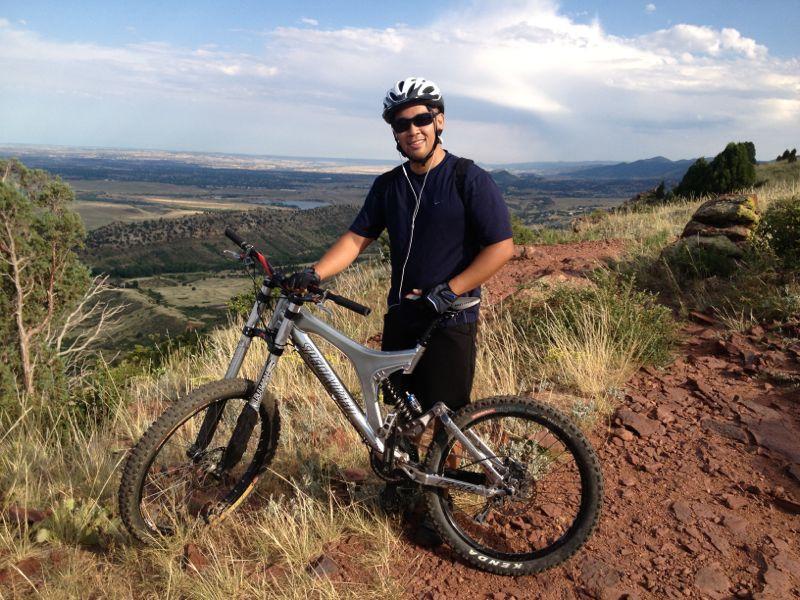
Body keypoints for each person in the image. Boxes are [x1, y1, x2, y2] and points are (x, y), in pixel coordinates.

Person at [285, 76, 514, 543]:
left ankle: (439, 508)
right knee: (404, 414)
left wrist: (450, 291)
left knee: (444, 416)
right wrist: (315, 273)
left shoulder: (469, 178)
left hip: (449, 320)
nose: (412, 130)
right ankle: (408, 487)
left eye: (421, 119)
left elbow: (500, 248)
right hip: (402, 318)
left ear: (440, 121)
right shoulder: (389, 186)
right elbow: (356, 239)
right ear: (394, 132)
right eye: (401, 123)